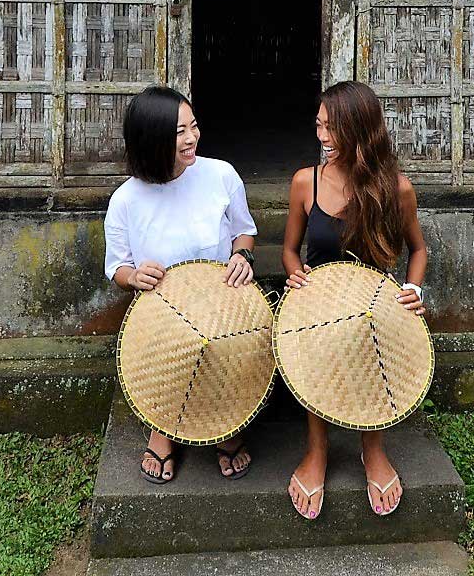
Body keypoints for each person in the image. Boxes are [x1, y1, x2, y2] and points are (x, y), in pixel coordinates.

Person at [280, 80, 429, 520]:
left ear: (360, 131)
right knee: (319, 342)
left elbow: (418, 251)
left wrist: (412, 291)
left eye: (332, 128)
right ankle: (317, 450)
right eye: (319, 126)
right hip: (317, 306)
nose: (322, 136)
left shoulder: (396, 189)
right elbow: (289, 251)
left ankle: (372, 446)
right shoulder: (305, 182)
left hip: (373, 307)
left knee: (368, 334)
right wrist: (296, 276)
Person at [104, 85, 258, 483]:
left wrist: (242, 256)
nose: (192, 138)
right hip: (162, 317)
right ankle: (163, 425)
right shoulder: (125, 200)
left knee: (221, 344)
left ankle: (226, 419)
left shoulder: (221, 175)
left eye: (194, 127)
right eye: (179, 133)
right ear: (152, 140)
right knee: (173, 349)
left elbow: (244, 233)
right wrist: (134, 277)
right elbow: (118, 267)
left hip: (222, 310)